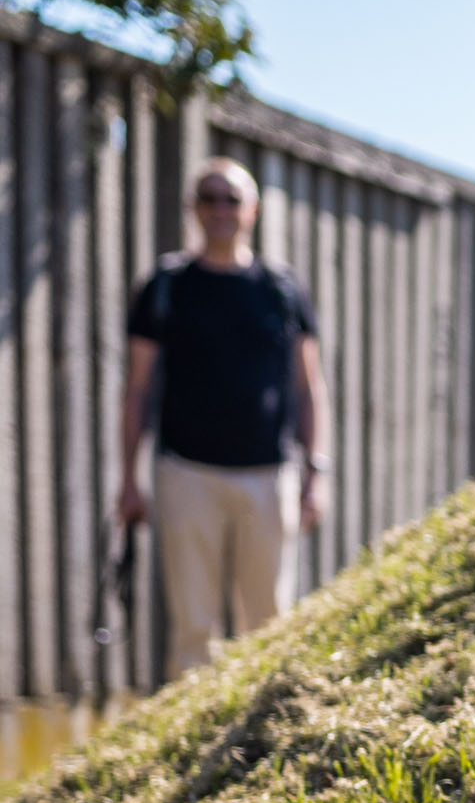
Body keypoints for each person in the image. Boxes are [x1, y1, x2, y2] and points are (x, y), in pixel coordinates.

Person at [115, 159, 330, 681]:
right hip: (186, 473)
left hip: (267, 476)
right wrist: (128, 479)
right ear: (194, 208)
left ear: (252, 210)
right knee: (193, 628)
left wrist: (315, 472)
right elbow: (137, 387)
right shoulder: (167, 287)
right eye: (209, 198)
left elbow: (309, 386)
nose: (220, 209)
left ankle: (259, 748)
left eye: (231, 198)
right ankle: (187, 753)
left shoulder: (281, 289)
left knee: (268, 622)